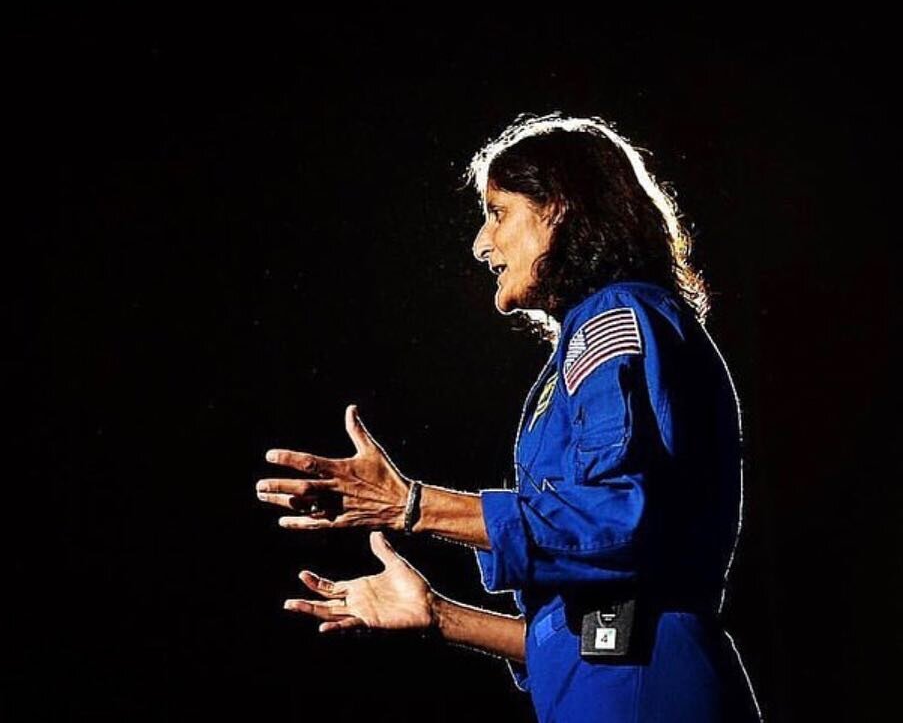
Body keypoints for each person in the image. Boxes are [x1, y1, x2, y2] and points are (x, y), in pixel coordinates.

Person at [255, 113, 763, 722]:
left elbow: (619, 522)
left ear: (561, 209)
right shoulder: (589, 336)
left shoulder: (613, 318)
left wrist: (409, 505)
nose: (480, 243)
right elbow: (588, 636)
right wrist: (440, 615)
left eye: (497, 211)